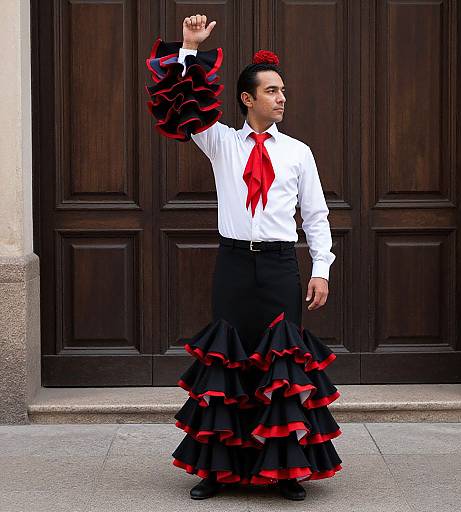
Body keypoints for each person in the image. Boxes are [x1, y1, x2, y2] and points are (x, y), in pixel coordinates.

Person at [146, 13, 343, 501]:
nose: (282, 98)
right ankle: (217, 471)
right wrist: (190, 47)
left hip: (279, 266)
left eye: (282, 90)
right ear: (247, 98)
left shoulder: (298, 152)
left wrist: (320, 269)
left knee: (282, 370)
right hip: (233, 266)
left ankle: (286, 472)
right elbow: (182, 105)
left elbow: (315, 216)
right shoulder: (220, 142)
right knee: (227, 367)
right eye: (272, 91)